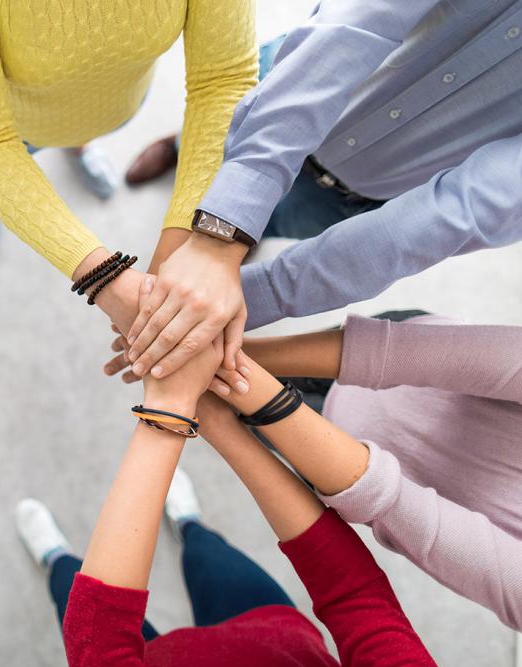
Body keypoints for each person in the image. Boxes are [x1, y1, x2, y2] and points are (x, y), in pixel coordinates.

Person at [16, 308, 446, 667]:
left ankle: (54, 555)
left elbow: (97, 640)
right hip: (268, 631)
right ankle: (188, 525)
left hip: (155, 666)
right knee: (205, 551)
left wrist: (170, 407)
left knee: (70, 590)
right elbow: (357, 598)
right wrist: (220, 426)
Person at [119, 0, 522, 382]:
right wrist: (225, 230)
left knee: (280, 221)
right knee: (212, 138)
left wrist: (250, 292)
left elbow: (465, 210)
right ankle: (178, 147)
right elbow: (353, 24)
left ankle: (250, 234)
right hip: (289, 87)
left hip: (362, 193)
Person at [0, 0, 257, 340]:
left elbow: (223, 79)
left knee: (81, 131)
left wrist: (169, 265)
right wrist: (105, 279)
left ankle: (78, 145)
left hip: (117, 104)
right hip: (20, 126)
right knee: (7, 163)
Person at [203, 311, 522, 630]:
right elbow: (440, 356)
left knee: (227, 399)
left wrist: (220, 367)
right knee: (228, 374)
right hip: (396, 357)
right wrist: (227, 356)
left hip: (341, 461)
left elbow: (396, 504)